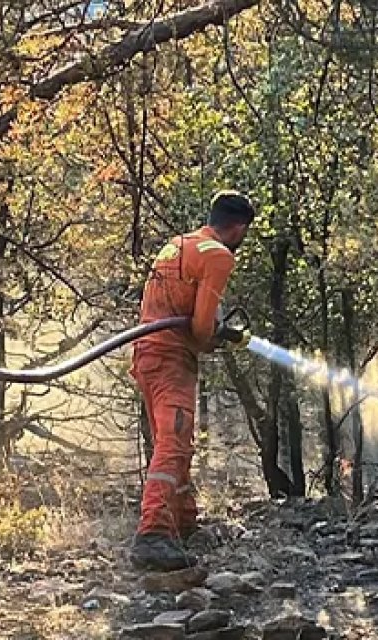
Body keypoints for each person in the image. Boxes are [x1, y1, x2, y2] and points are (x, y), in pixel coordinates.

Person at [129, 190, 255, 571]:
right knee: (172, 443)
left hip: (147, 355)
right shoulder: (218, 255)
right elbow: (200, 328)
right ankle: (152, 535)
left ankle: (182, 523)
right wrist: (216, 336)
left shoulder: (177, 244)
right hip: (170, 359)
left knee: (175, 440)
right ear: (238, 228)